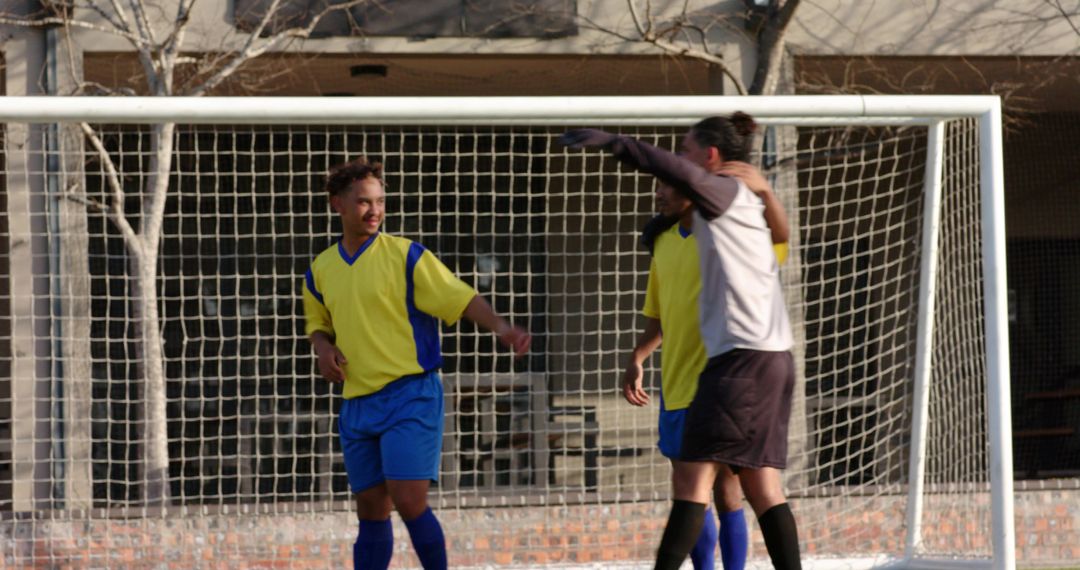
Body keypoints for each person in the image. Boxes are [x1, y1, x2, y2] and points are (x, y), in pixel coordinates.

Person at [562, 113, 801, 570]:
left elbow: (671, 169)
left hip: (738, 363)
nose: (679, 161)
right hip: (770, 360)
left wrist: (616, 141)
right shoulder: (741, 203)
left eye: (687, 150)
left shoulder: (724, 192)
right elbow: (780, 234)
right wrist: (766, 190)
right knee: (761, 488)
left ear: (709, 157)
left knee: (694, 485)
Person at [302, 157, 532, 570]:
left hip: (410, 395)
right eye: (363, 202)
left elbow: (460, 297)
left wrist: (502, 327)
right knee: (370, 509)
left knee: (408, 500)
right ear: (337, 204)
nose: (374, 211)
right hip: (357, 402)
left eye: (379, 201)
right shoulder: (320, 269)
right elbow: (318, 325)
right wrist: (322, 347)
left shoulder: (407, 255)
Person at [624, 117, 790, 570]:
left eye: (668, 182)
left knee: (729, 489)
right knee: (689, 485)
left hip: (724, 380)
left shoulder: (731, 231)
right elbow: (660, 315)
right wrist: (639, 356)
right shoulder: (662, 243)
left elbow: (780, 241)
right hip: (677, 383)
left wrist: (766, 193)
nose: (660, 191)